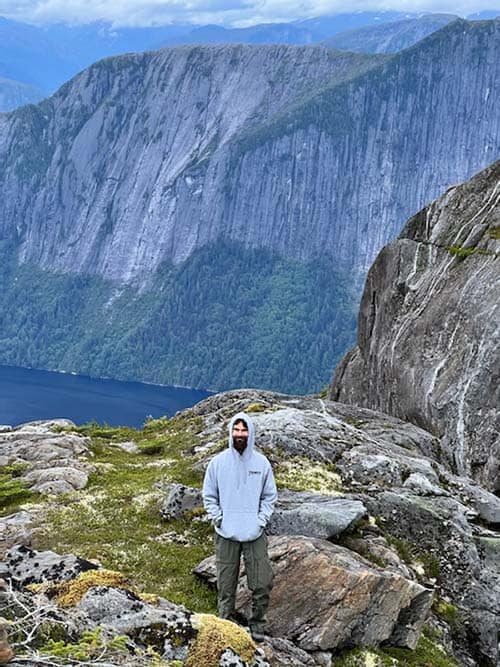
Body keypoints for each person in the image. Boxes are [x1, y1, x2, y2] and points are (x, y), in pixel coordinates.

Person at [202, 411, 277, 642]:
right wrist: (219, 518)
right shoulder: (218, 463)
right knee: (226, 585)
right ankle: (225, 624)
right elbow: (209, 495)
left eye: (244, 430)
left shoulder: (261, 463)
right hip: (225, 534)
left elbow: (269, 496)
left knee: (262, 583)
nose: (240, 434)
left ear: (250, 433)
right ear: (230, 432)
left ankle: (257, 625)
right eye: (236, 430)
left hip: (254, 534)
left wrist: (260, 521)